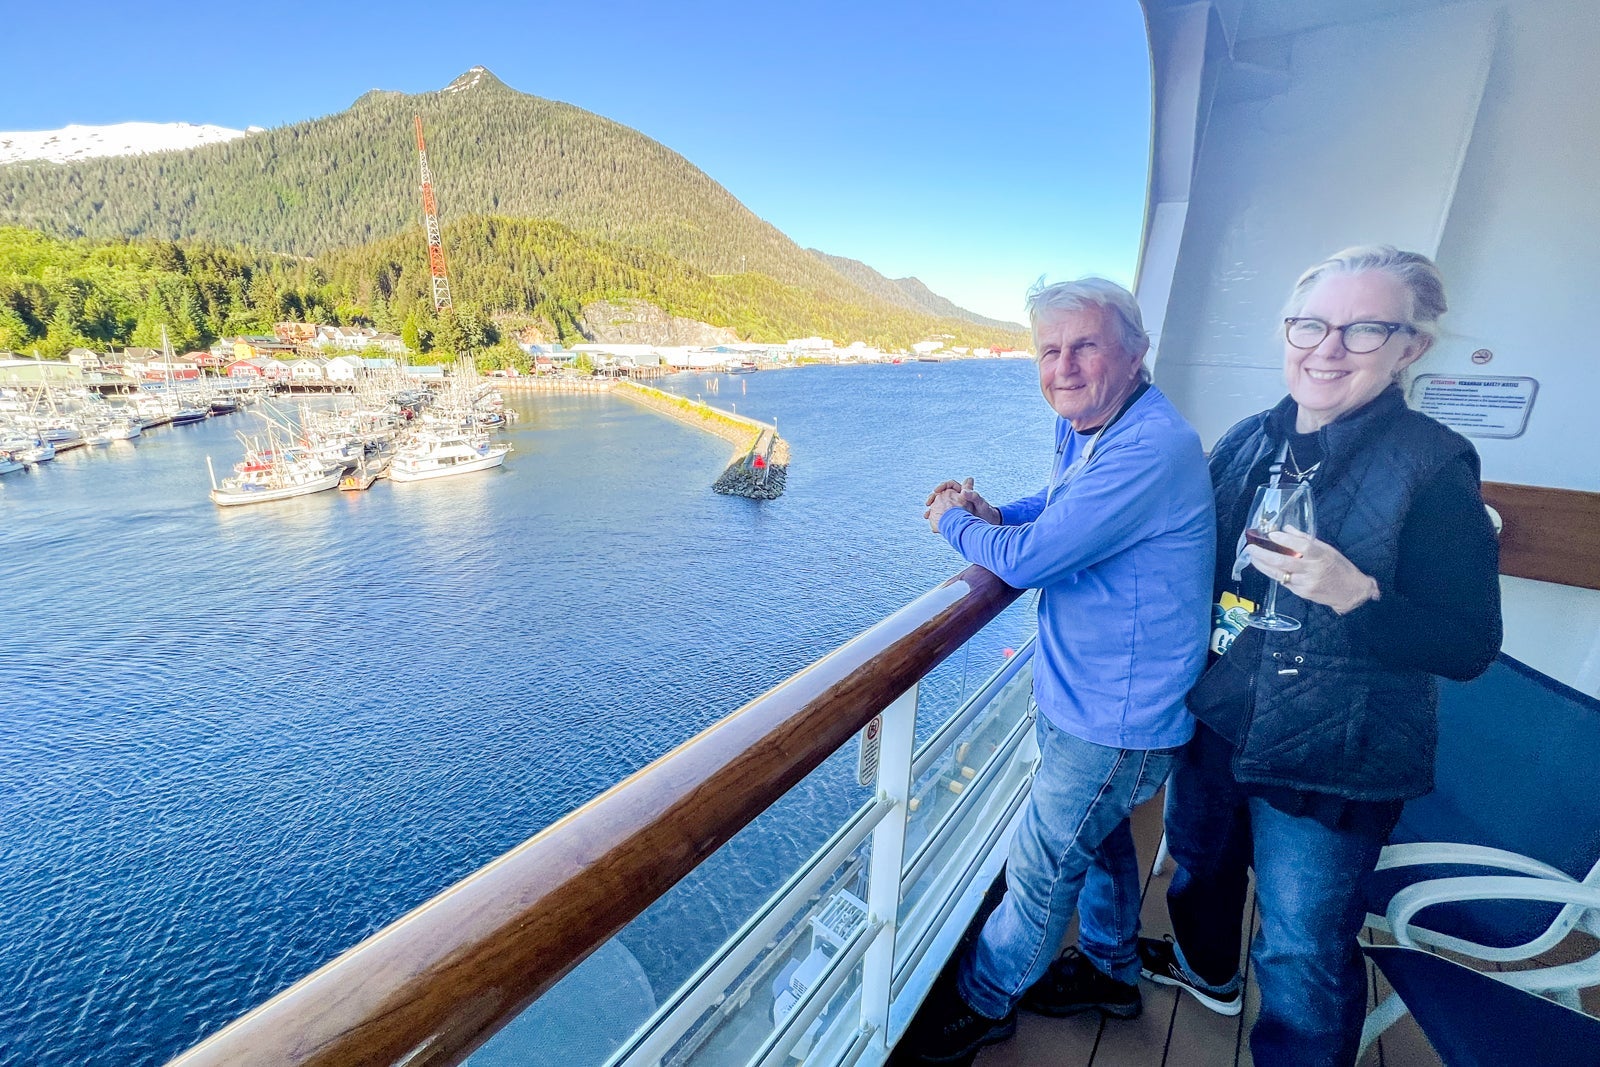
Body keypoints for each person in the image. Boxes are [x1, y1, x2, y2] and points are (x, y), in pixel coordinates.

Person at [1139, 246, 1503, 1066]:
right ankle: (1208, 975)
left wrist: (1356, 594)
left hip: (1334, 750)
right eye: (1312, 324)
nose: (1328, 347)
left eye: (1364, 329)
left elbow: (1470, 644)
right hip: (1221, 716)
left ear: (1411, 346)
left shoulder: (1434, 467)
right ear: (1286, 332)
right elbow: (1177, 543)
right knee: (1199, 867)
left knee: (1301, 949)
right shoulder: (1248, 440)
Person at [903, 278, 1215, 1063]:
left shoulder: (1149, 446)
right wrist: (996, 511)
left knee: (1041, 862)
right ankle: (1109, 968)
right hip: (1087, 692)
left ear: (1136, 353)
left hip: (1117, 715)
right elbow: (1056, 503)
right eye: (1049, 349)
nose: (1064, 366)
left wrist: (951, 522)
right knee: (1101, 840)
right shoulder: (1095, 423)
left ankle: (985, 996)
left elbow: (1036, 559)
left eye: (1085, 345)